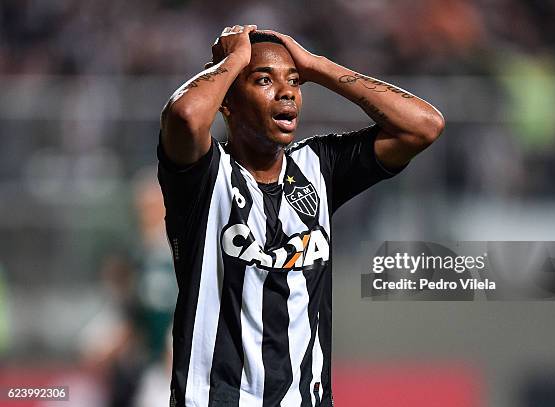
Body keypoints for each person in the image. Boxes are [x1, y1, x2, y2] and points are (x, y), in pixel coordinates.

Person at [157, 24, 444, 407]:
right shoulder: (204, 177)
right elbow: (186, 116)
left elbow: (424, 126)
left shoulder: (318, 168)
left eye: (294, 82)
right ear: (227, 102)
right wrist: (235, 59)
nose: (287, 92)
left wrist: (318, 66)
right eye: (264, 80)